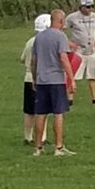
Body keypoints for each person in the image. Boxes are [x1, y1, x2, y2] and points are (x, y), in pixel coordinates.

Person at [32, 9, 75, 157]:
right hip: (56, 80)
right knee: (58, 113)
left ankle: (38, 147)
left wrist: (34, 78)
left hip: (41, 79)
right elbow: (63, 58)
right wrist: (71, 78)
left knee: (41, 114)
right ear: (61, 21)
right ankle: (59, 147)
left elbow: (34, 60)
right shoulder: (60, 37)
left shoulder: (39, 37)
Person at [65, 0, 95, 105]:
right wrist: (69, 42)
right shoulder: (72, 17)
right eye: (87, 7)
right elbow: (62, 29)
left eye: (92, 6)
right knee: (74, 75)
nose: (90, 9)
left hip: (92, 50)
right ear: (81, 7)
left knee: (93, 75)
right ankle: (69, 98)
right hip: (78, 51)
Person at [20, 13, 52, 146]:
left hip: (28, 79)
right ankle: (42, 137)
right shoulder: (45, 42)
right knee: (42, 110)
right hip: (40, 79)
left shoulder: (30, 41)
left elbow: (22, 59)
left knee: (29, 111)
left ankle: (28, 137)